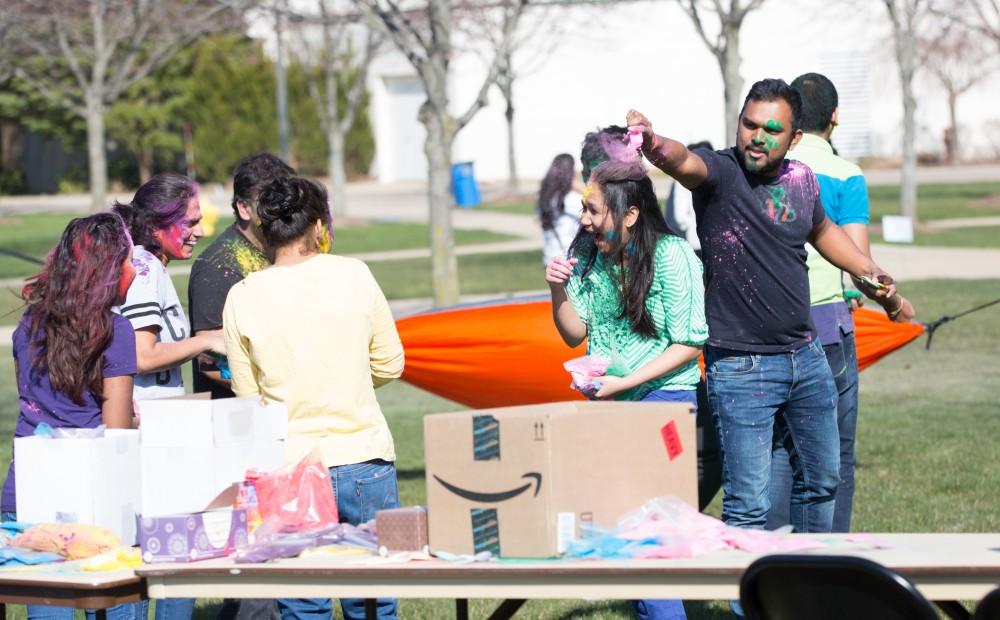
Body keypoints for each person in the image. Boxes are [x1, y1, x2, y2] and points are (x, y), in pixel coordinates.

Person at [626, 78, 900, 538]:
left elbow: (825, 233)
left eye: (771, 130)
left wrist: (871, 274)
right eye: (749, 125)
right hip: (741, 366)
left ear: (794, 138)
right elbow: (683, 160)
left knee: (822, 483)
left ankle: (808, 592)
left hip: (807, 358)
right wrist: (653, 143)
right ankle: (752, 605)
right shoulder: (721, 175)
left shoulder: (801, 180)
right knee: (749, 502)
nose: (757, 136)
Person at [223, 177, 404, 620]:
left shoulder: (243, 296)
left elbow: (248, 396)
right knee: (376, 599)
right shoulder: (354, 273)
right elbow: (391, 363)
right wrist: (350, 383)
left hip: (291, 464)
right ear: (318, 226)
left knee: (303, 603)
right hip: (365, 456)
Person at [546, 160, 707, 620]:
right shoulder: (594, 258)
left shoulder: (672, 255)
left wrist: (624, 383)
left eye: (593, 210)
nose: (584, 220)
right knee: (628, 530)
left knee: (649, 535)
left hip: (664, 404)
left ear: (631, 214)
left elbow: (689, 342)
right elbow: (574, 332)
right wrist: (557, 290)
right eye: (583, 209)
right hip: (615, 405)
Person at [766, 73, 916, 533]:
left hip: (767, 324)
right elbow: (860, 264)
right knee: (835, 454)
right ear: (835, 117)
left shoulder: (769, 167)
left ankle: (764, 574)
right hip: (825, 328)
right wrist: (896, 307)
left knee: (777, 452)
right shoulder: (845, 174)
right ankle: (833, 569)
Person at [1, 213, 143, 620]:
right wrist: (136, 424)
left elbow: (37, 403)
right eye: (130, 260)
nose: (135, 270)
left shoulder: (29, 323)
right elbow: (115, 434)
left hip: (28, 493)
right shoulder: (116, 331)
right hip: (95, 499)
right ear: (109, 270)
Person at [113, 173, 224, 620]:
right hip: (153, 440)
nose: (200, 231)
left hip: (162, 435)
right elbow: (142, 355)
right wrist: (206, 341)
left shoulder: (150, 267)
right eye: (191, 221)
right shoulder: (144, 271)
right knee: (176, 557)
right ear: (158, 225)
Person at [189, 153, 295, 401]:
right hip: (241, 423)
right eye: (269, 202)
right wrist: (281, 391)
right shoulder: (216, 267)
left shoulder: (284, 249)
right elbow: (210, 365)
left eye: (285, 200)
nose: (281, 209)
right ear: (244, 208)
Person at [664, 141, 712, 253]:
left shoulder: (683, 177)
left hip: (694, 241)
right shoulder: (716, 176)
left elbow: (680, 217)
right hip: (710, 239)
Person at [538, 153, 584, 265]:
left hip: (550, 256)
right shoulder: (571, 199)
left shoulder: (547, 196)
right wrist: (582, 187)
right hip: (566, 258)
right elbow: (598, 206)